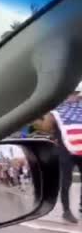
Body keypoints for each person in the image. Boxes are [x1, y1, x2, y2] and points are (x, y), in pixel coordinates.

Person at [36, 91, 82, 224]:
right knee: (66, 182)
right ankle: (66, 211)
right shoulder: (57, 111)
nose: (73, 97)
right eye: (71, 94)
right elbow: (45, 127)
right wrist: (39, 116)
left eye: (76, 94)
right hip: (65, 152)